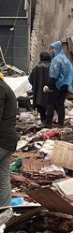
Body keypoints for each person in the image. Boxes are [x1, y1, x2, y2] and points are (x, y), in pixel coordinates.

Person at [45, 41, 73, 128]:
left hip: (57, 85)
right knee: (60, 104)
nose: (51, 51)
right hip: (65, 85)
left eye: (52, 49)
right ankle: (60, 123)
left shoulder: (56, 60)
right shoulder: (66, 59)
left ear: (56, 49)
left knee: (51, 103)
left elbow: (54, 74)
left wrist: (49, 85)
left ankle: (48, 122)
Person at [0, 72, 17, 208]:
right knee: (3, 177)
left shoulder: (0, 89)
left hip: (2, 141)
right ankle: (6, 209)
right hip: (8, 141)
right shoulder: (4, 86)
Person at [29, 52, 52, 124]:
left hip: (38, 92)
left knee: (41, 108)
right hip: (50, 91)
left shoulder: (36, 68)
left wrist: (36, 85)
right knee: (50, 106)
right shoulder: (51, 67)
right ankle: (48, 122)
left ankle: (43, 121)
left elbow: (30, 79)